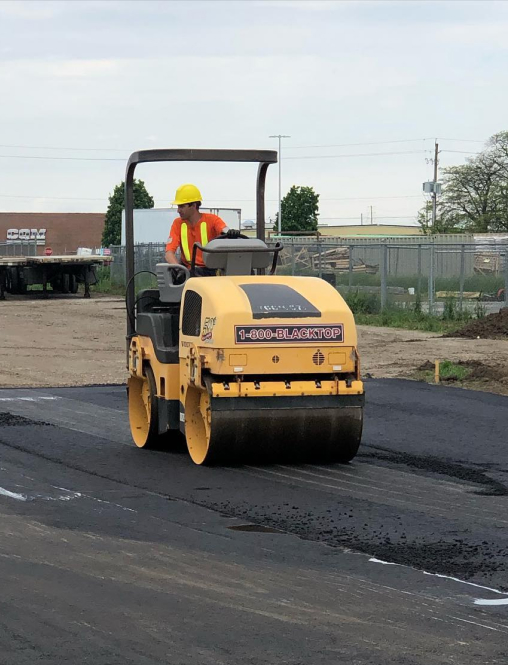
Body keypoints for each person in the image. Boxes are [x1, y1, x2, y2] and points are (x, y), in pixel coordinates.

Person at [165, 183, 240, 276]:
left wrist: (231, 234)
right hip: (188, 270)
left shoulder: (213, 220)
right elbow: (169, 253)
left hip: (210, 270)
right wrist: (178, 268)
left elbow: (225, 232)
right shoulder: (177, 224)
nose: (178, 210)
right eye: (178, 206)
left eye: (182, 206)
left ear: (194, 206)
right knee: (168, 273)